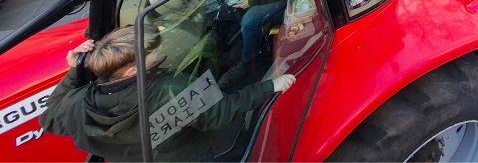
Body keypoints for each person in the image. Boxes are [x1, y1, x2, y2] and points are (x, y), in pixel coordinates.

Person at [40, 27, 296, 161]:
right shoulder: (171, 89)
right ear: (131, 72)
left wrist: (74, 72)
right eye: (154, 56)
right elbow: (219, 113)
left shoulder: (79, 103)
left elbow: (49, 118)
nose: (164, 55)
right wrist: (268, 86)